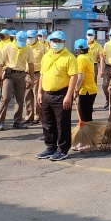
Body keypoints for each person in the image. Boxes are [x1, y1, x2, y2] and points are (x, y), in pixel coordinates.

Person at [36, 31, 82, 162]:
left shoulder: (69, 57)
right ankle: (51, 147)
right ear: (49, 42)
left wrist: (69, 95)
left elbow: (73, 77)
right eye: (54, 41)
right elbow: (42, 75)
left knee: (62, 123)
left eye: (59, 41)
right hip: (47, 94)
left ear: (64, 43)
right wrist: (39, 92)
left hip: (61, 94)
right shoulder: (46, 56)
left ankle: (62, 149)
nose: (56, 44)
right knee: (47, 123)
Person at [0, 30, 34, 131]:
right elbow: (1, 63)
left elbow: (31, 64)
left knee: (20, 99)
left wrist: (31, 78)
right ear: (15, 39)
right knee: (5, 98)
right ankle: (1, 121)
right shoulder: (8, 47)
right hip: (8, 75)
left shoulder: (28, 48)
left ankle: (17, 122)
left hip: (21, 75)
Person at [73, 39, 98, 123]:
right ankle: (90, 130)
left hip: (85, 91)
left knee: (84, 117)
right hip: (92, 89)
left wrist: (76, 90)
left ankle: (87, 131)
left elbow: (80, 77)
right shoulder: (89, 56)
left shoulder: (80, 58)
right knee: (88, 116)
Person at [24, 30, 45, 125]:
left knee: (37, 95)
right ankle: (29, 115)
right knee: (27, 96)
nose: (29, 39)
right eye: (28, 37)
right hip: (26, 74)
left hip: (38, 73)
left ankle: (38, 116)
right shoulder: (24, 47)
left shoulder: (42, 47)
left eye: (31, 37)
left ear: (36, 37)